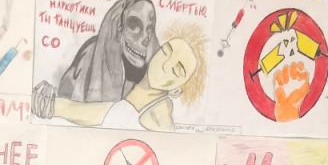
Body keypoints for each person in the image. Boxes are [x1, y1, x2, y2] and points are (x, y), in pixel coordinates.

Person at [34, 27, 207, 132]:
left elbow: (105, 115)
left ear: (176, 91)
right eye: (165, 52)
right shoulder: (128, 91)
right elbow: (104, 112)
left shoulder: (156, 120)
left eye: (176, 70)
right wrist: (54, 105)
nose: (165, 64)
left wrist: (53, 106)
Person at [57, 0, 158, 103]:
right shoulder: (91, 54)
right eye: (134, 26)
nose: (145, 38)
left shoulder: (146, 76)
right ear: (117, 27)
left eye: (149, 29)